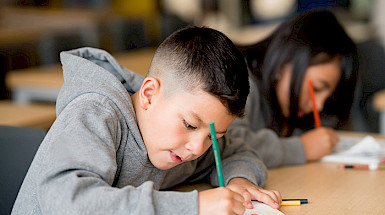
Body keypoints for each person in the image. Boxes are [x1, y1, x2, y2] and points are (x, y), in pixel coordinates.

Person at [12, 26, 281, 215]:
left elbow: (239, 150)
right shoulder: (96, 114)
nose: (198, 149)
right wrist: (193, 207)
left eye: (214, 135)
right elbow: (67, 202)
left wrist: (239, 181)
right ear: (149, 94)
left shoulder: (181, 142)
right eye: (189, 125)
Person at [228, 10, 358, 168]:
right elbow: (226, 145)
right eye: (316, 88)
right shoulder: (235, 77)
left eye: (328, 97)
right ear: (285, 62)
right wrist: (301, 148)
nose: (318, 105)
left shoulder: (285, 106)